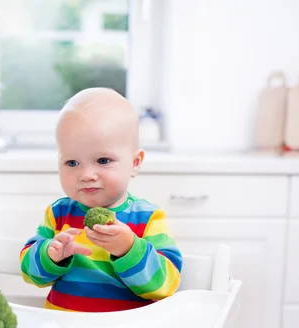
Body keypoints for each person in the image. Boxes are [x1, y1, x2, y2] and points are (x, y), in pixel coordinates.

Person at [19, 87, 183, 312]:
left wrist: (129, 249)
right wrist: (50, 254)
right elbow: (31, 275)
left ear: (135, 163)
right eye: (72, 163)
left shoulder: (148, 217)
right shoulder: (58, 215)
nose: (86, 175)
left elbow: (165, 285)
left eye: (103, 160)